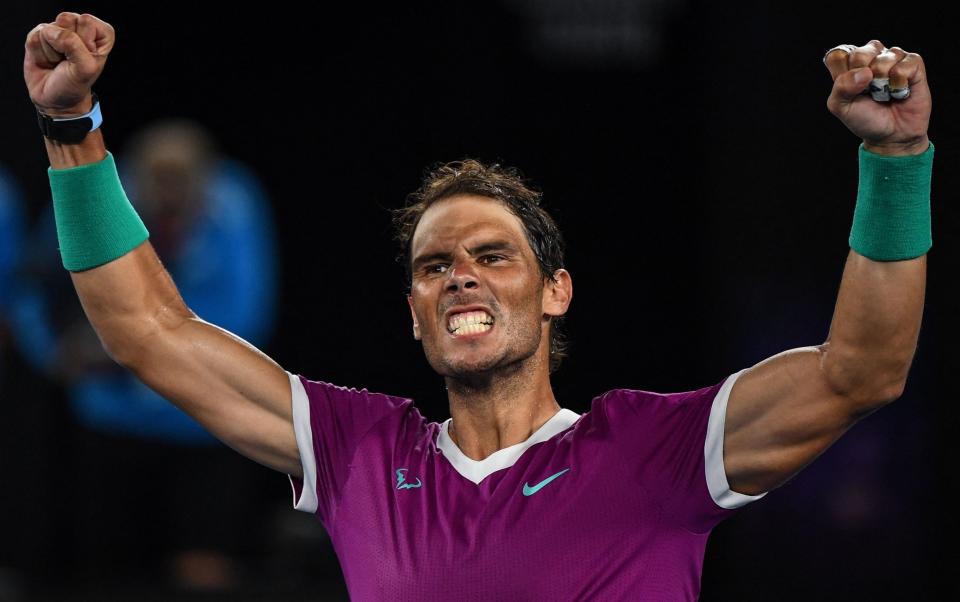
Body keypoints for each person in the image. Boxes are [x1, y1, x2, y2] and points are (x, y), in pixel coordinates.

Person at [23, 12, 932, 601]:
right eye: (433, 267)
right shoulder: (361, 455)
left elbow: (863, 370)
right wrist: (72, 131)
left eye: (493, 257)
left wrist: (895, 165)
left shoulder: (656, 452)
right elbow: (146, 332)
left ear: (555, 292)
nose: (458, 275)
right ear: (414, 312)